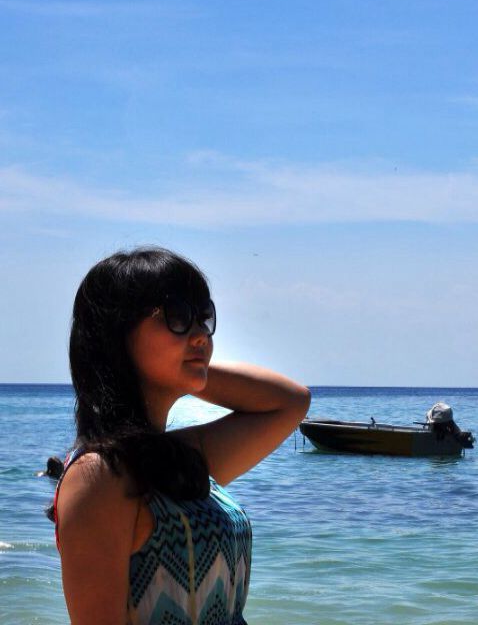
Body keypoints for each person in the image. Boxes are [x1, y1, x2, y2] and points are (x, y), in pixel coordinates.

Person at [52, 247, 311, 625]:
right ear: (116, 332)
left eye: (204, 317)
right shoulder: (101, 476)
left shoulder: (175, 458)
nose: (201, 334)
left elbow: (291, 402)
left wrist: (189, 366)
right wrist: (170, 366)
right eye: (178, 316)